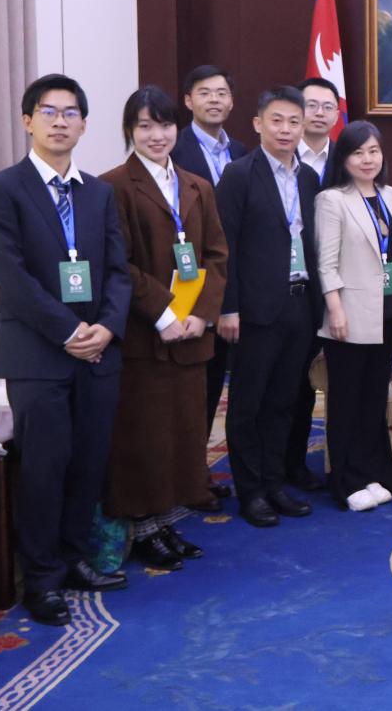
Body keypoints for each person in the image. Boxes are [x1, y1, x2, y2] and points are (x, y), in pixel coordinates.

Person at [0, 74, 131, 626]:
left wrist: (106, 328)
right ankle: (41, 578)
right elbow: (12, 277)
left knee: (88, 463)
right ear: (27, 121)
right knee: (44, 467)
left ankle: (73, 558)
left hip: (99, 353)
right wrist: (70, 333)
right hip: (38, 356)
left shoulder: (99, 192)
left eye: (70, 113)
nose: (60, 121)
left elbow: (118, 270)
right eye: (48, 112)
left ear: (84, 125)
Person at [101, 86, 228, 569]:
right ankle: (144, 528)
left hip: (192, 333)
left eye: (165, 124)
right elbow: (119, 264)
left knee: (182, 432)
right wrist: (164, 314)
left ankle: (167, 521)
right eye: (145, 126)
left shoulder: (197, 186)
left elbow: (216, 255)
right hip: (146, 336)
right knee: (144, 436)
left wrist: (202, 314)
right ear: (130, 131)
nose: (157, 135)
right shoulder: (113, 186)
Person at [215, 86, 322, 527]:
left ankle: (275, 484)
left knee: (284, 401)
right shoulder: (238, 175)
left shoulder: (309, 179)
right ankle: (251, 491)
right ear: (258, 123)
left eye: (294, 122)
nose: (285, 129)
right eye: (276, 120)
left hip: (300, 304)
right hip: (255, 310)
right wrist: (228, 307)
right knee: (248, 404)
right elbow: (225, 247)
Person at [314, 121, 392, 512]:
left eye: (374, 151)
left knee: (373, 399)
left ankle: (375, 473)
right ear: (344, 159)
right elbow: (326, 262)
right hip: (348, 315)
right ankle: (346, 481)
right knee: (346, 400)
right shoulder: (332, 200)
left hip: (387, 312)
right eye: (357, 152)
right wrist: (335, 308)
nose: (367, 159)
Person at [172, 64, 247, 509]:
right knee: (189, 392)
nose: (214, 100)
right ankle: (185, 477)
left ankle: (196, 473)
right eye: (205, 93)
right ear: (188, 100)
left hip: (232, 282)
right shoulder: (173, 149)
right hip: (189, 287)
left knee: (215, 383)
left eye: (221, 93)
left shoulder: (240, 151)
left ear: (232, 102)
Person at [283, 75, 343, 493]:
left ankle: (335, 461)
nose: (319, 113)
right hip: (296, 287)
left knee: (339, 378)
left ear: (337, 114)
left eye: (328, 106)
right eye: (311, 105)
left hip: (342, 286)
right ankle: (287, 463)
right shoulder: (283, 158)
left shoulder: (350, 158)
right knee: (293, 381)